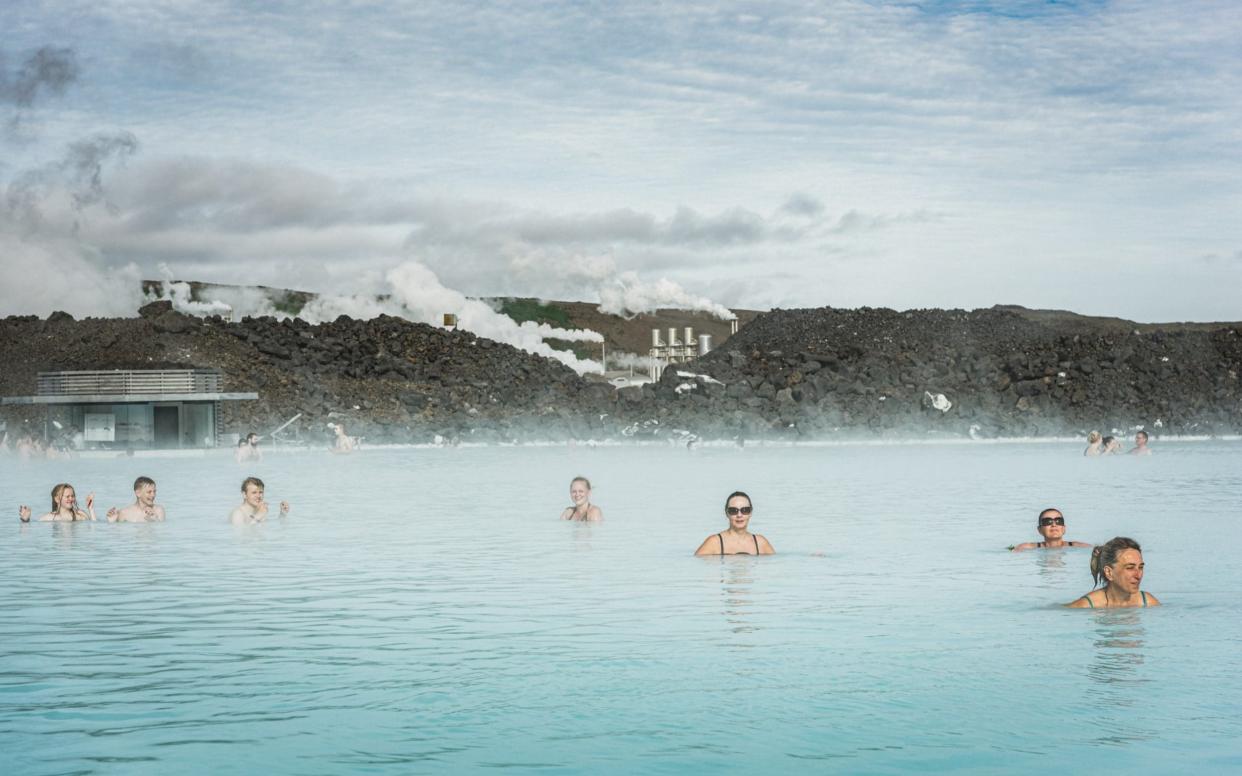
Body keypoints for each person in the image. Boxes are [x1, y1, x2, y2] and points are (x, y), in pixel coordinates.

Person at [1068, 537, 1161, 608]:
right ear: (1109, 572)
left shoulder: (1147, 602)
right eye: (1130, 568)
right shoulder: (1087, 606)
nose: (1138, 575)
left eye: (1140, 567)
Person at [694, 491, 775, 556]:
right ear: (726, 513)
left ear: (751, 513)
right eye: (733, 511)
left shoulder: (760, 542)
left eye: (745, 510)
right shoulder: (714, 542)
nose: (739, 515)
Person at [1010, 508, 1093, 551]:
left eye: (1058, 521)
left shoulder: (1077, 547)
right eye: (1047, 521)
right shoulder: (1027, 547)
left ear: (1064, 528)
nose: (1054, 525)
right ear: (1039, 530)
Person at [19, 483, 97, 522]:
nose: (71, 498)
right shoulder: (49, 518)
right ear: (57, 499)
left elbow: (94, 528)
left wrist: (91, 509)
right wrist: (25, 521)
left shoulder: (81, 514)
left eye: (72, 496)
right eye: (67, 496)